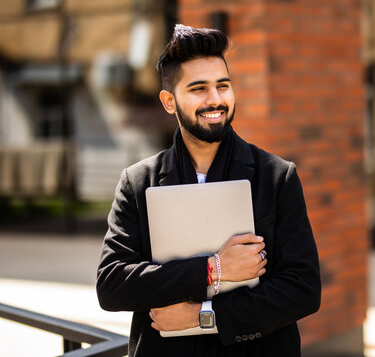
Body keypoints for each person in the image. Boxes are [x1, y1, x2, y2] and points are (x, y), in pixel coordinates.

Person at [96, 24, 321, 357]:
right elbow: (113, 285)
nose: (215, 99)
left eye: (223, 86)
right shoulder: (138, 182)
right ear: (169, 102)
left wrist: (204, 317)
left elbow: (302, 289)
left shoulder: (276, 176)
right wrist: (213, 268)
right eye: (199, 88)